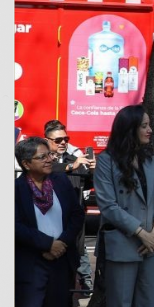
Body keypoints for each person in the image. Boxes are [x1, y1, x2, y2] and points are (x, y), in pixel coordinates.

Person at [94, 105, 154, 307]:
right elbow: (108, 206)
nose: (150, 130)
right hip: (124, 245)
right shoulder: (106, 160)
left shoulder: (152, 160)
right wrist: (141, 233)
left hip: (152, 245)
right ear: (130, 128)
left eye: (149, 125)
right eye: (144, 125)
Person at [14, 137, 84, 307]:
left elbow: (76, 215)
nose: (49, 160)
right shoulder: (16, 190)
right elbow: (14, 225)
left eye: (49, 155)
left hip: (60, 260)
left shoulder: (60, 181)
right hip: (31, 263)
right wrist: (46, 244)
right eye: (42, 157)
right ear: (26, 163)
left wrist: (62, 243)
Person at [44, 120, 94, 297]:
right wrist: (71, 167)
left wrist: (93, 171)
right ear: (47, 140)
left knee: (74, 258)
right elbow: (48, 170)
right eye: (58, 140)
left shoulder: (74, 160)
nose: (63, 143)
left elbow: (88, 184)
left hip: (72, 222)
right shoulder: (42, 161)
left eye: (66, 139)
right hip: (49, 222)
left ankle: (80, 287)